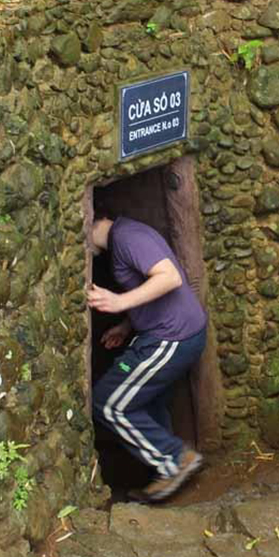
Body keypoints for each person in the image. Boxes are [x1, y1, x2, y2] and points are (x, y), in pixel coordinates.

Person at [88, 213, 208, 502]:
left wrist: (119, 302)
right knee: (148, 402)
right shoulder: (125, 237)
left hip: (171, 338)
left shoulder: (129, 237)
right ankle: (166, 472)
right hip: (174, 334)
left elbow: (169, 277)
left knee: (108, 403)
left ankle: (176, 461)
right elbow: (149, 287)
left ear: (91, 220)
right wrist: (127, 325)